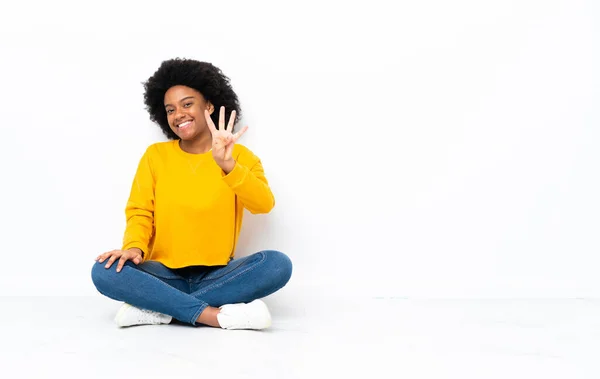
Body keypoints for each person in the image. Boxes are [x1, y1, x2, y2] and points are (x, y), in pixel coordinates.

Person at [91, 58, 292, 330]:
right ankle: (214, 316)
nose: (178, 115)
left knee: (277, 264)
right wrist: (133, 249)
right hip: (163, 274)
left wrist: (227, 166)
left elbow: (263, 204)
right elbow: (140, 211)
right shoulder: (156, 156)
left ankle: (158, 308)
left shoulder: (240, 157)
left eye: (187, 104)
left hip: (217, 274)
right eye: (170, 109)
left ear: (208, 105)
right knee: (104, 272)